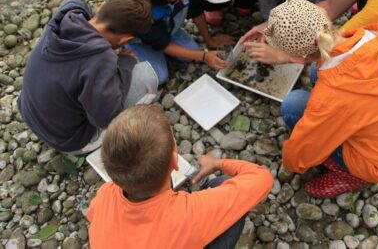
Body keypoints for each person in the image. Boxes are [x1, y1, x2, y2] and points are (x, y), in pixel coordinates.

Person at [253, 0, 378, 197]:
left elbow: (307, 147)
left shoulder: (331, 97)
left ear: (295, 58)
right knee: (316, 70)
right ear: (324, 18)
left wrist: (290, 163)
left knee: (292, 106)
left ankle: (352, 176)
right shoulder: (371, 37)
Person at [87, 104, 274, 249]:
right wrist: (218, 163)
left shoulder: (104, 195)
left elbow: (92, 215)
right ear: (175, 162)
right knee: (224, 184)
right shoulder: (190, 215)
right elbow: (261, 177)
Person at [17, 0, 156, 154]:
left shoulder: (69, 9)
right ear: (124, 40)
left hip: (29, 111)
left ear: (102, 7)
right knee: (146, 76)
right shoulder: (98, 60)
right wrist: (126, 62)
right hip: (68, 140)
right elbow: (107, 118)